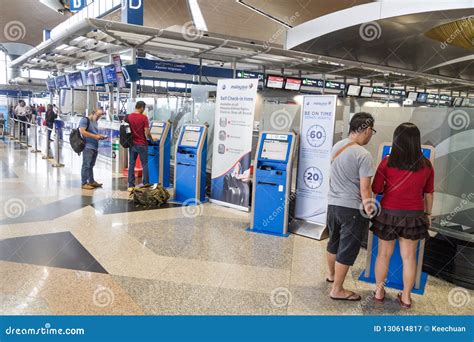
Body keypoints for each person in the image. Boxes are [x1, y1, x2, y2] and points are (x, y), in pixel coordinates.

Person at [371, 123, 434, 308]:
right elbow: (429, 193)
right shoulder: (426, 165)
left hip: (388, 214)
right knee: (409, 258)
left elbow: (375, 188)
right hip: (413, 216)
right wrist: (428, 213)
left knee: (383, 255)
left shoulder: (387, 162)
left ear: (396, 140)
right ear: (417, 141)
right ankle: (406, 297)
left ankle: (379, 292)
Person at [326, 112, 376, 301]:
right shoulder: (363, 155)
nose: (371, 135)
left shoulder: (337, 146)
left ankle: (331, 277)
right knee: (347, 248)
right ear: (366, 129)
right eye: (372, 131)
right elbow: (365, 188)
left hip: (333, 204)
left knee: (333, 242)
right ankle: (337, 290)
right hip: (351, 209)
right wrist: (369, 208)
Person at [127, 101, 154, 191]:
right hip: (142, 144)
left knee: (131, 164)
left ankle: (131, 185)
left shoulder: (129, 116)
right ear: (142, 108)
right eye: (144, 108)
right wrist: (152, 139)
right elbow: (147, 132)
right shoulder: (143, 118)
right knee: (145, 164)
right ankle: (146, 184)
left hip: (132, 144)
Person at [79, 109, 107, 190]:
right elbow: (83, 132)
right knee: (86, 165)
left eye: (100, 117)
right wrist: (95, 137)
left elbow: (94, 133)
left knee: (91, 165)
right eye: (97, 116)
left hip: (95, 146)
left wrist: (99, 136)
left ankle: (91, 181)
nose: (98, 118)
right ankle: (84, 183)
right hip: (88, 146)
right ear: (93, 113)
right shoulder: (84, 120)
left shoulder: (95, 122)